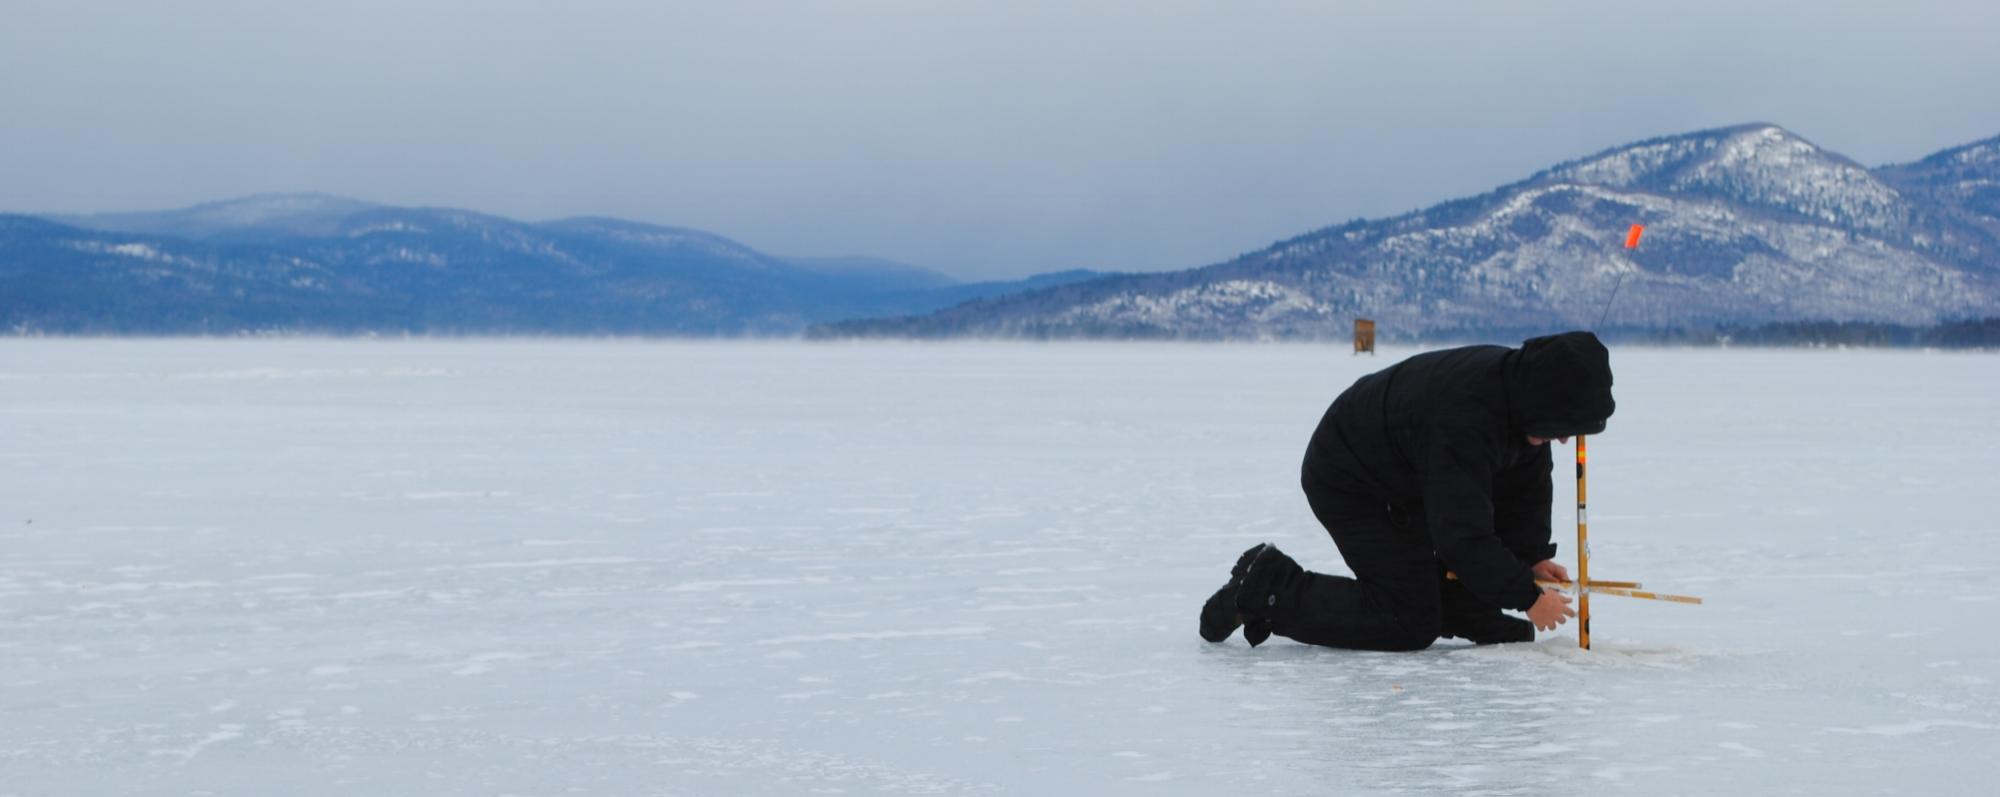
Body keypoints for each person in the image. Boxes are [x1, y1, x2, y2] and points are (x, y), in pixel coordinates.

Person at [1200, 330, 1616, 650]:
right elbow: (1459, 531)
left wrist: (1530, 559)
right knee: (1405, 620)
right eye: (1562, 429)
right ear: (1545, 404)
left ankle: (1456, 605)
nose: (1563, 441)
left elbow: (1524, 491)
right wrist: (1525, 596)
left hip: (1407, 478)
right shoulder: (1468, 416)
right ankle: (1266, 588)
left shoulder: (1522, 401)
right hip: (1349, 477)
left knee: (1436, 587)